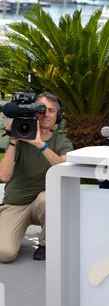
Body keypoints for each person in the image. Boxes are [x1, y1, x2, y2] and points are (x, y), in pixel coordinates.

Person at [0, 92, 73, 263]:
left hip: (44, 204)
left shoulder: (61, 142)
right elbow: (4, 176)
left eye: (51, 110)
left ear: (58, 115)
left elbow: (64, 169)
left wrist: (40, 145)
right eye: (41, 109)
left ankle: (46, 243)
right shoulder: (17, 136)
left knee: (48, 198)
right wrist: (13, 140)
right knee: (5, 254)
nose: (46, 114)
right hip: (16, 204)